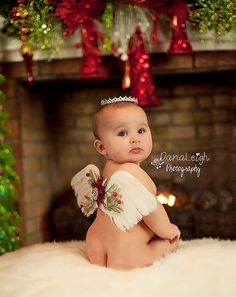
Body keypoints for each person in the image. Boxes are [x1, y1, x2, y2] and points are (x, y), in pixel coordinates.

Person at [71, 96, 180, 270]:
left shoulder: (106, 171)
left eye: (141, 131)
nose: (135, 139)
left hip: (95, 243)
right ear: (101, 147)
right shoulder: (132, 172)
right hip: (127, 251)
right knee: (170, 242)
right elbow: (152, 209)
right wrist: (168, 229)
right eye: (123, 133)